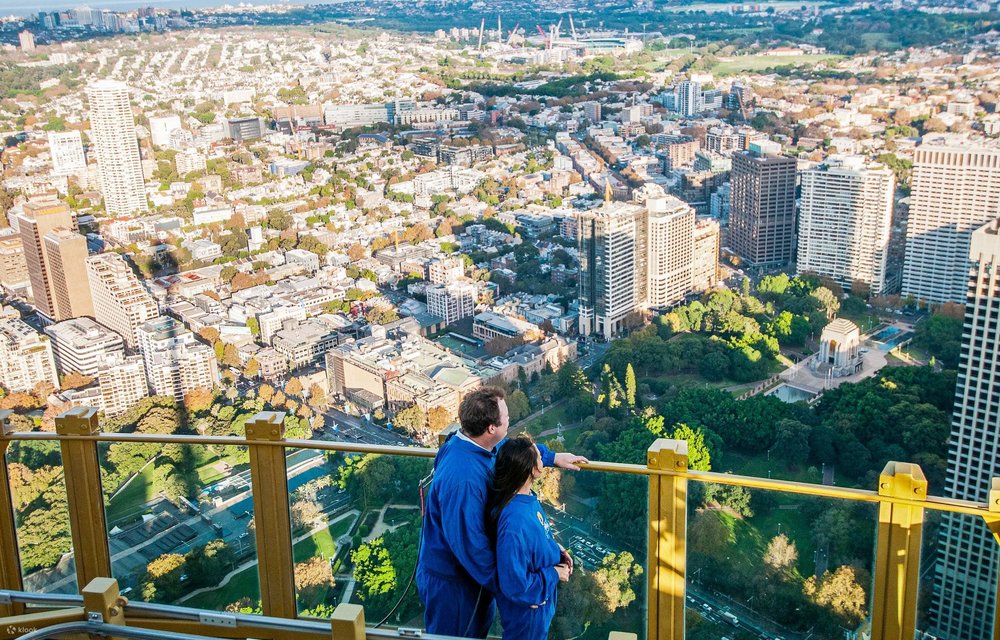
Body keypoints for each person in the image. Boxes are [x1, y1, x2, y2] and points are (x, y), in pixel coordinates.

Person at [416, 386, 588, 638]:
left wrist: (550, 457)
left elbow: (509, 451)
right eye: (506, 417)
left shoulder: (472, 444)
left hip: (469, 577)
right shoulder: (463, 480)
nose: (510, 420)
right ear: (491, 428)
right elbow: (473, 548)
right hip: (455, 586)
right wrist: (522, 591)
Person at [490, 435, 571, 640]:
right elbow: (515, 585)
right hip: (528, 614)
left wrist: (557, 551)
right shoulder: (514, 522)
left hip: (538, 605)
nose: (543, 456)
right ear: (534, 470)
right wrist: (554, 574)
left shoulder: (526, 500)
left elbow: (536, 539)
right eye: (539, 456)